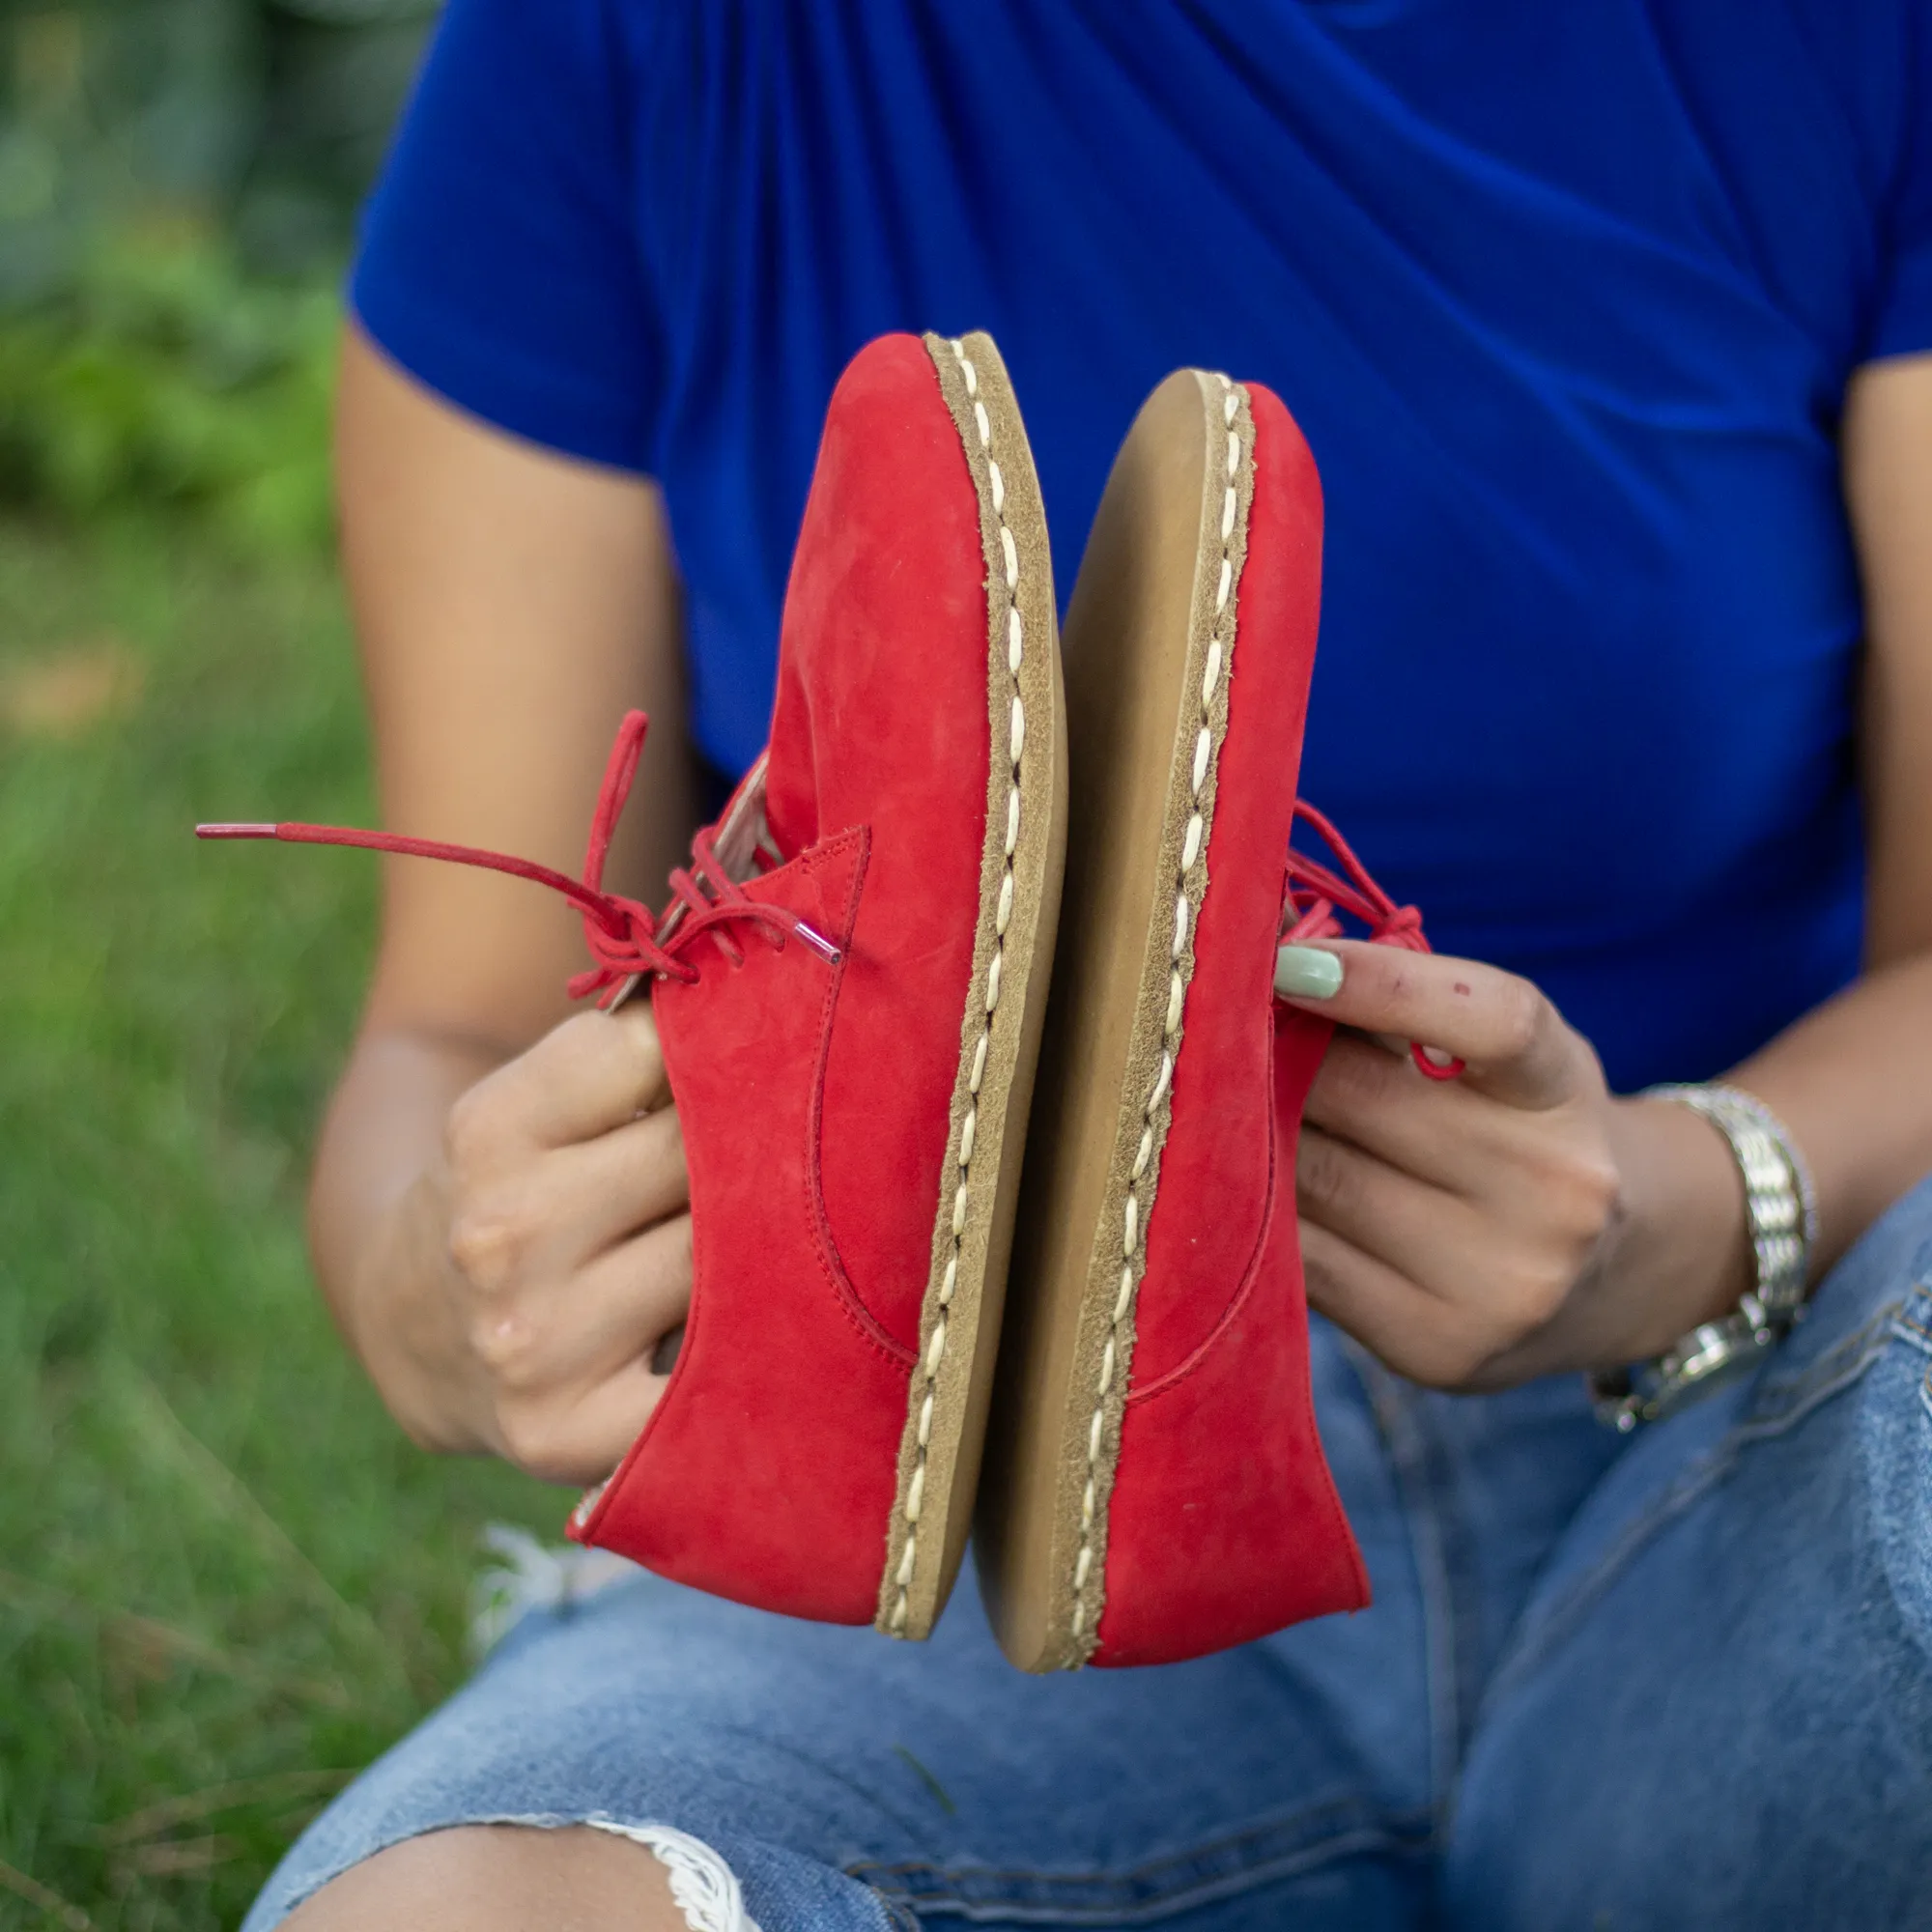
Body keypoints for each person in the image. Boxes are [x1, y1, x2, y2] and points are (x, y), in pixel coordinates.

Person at [247, 3, 1932, 1927]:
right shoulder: (644, 48)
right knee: (449, 1913)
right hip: (954, 1530)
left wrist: (1692, 1200)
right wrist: (439, 1290)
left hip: (1733, 1456)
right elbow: (450, 1022)